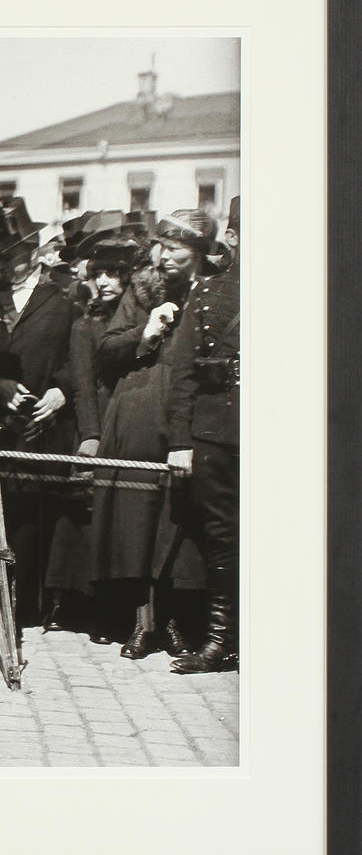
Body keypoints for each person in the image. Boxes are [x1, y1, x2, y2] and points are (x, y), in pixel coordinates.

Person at [89, 210, 214, 658]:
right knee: (138, 520)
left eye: (173, 249)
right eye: (159, 247)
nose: (162, 257)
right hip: (140, 405)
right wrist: (146, 331)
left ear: (198, 252)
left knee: (181, 520)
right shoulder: (143, 289)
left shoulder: (217, 289)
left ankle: (178, 621)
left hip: (194, 413)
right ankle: (143, 623)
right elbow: (106, 348)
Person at [0, 198, 78, 633]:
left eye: (13, 254)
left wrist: (62, 391)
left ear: (33, 251)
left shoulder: (64, 299)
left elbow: (78, 356)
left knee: (35, 517)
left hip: (44, 422)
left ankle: (32, 606)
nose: (6, 263)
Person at [42, 233, 140, 632]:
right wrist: (89, 436)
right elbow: (82, 384)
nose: (104, 282)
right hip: (99, 423)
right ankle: (81, 607)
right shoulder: (88, 325)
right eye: (99, 273)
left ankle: (125, 612)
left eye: (115, 274)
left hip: (135, 426)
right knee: (86, 518)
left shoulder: (145, 318)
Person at [167, 196, 240, 673]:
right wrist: (180, 441)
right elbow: (184, 374)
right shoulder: (211, 292)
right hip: (216, 431)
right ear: (232, 238)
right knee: (221, 537)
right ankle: (221, 638)